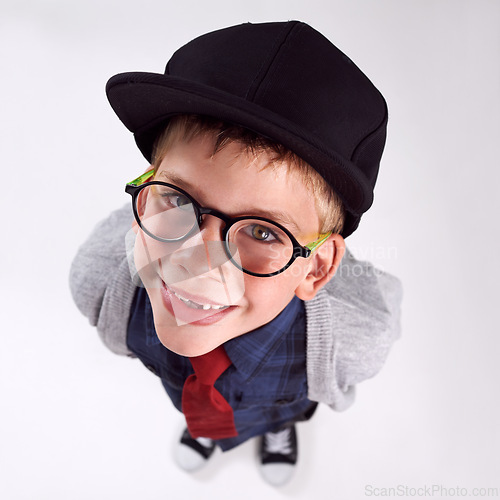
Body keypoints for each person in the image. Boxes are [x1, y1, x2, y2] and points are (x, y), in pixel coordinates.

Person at [70, 21, 402, 487]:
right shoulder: (104, 282)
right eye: (177, 200)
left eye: (264, 233)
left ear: (318, 268)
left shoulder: (349, 342)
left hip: (278, 399)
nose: (194, 261)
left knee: (281, 411)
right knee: (192, 396)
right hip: (189, 388)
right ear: (147, 188)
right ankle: (201, 425)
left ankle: (279, 431)